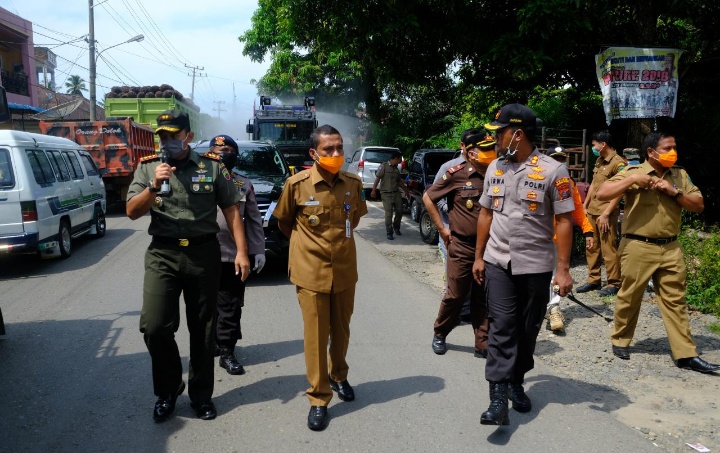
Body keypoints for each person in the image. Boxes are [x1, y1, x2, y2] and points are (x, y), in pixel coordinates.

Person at [126, 110, 251, 423]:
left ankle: (200, 395)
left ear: (188, 137)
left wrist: (242, 252)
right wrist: (153, 187)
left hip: (203, 254)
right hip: (163, 255)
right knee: (154, 327)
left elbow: (232, 209)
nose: (167, 142)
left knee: (203, 328)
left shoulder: (211, 166)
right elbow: (131, 211)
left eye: (173, 135)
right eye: (162, 136)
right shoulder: (149, 167)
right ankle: (169, 389)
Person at [472, 103, 575, 426]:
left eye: (499, 133)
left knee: (527, 329)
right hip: (498, 262)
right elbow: (486, 214)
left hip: (535, 265)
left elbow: (563, 220)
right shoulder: (495, 169)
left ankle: (517, 380)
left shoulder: (553, 171)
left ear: (517, 135)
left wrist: (563, 268)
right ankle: (498, 398)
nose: (495, 140)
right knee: (501, 325)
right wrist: (478, 256)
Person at [595, 131, 719, 373]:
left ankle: (685, 354)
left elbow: (699, 205)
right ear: (651, 152)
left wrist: (674, 192)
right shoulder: (633, 173)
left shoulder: (680, 176)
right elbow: (602, 194)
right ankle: (620, 340)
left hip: (671, 247)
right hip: (638, 246)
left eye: (674, 147)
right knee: (630, 296)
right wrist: (630, 182)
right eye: (667, 148)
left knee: (675, 301)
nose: (673, 152)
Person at [272, 124, 368, 431]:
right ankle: (318, 397)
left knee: (341, 330)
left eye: (340, 147)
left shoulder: (352, 182)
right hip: (310, 272)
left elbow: (355, 218)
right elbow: (285, 223)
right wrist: (307, 249)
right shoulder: (297, 184)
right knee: (316, 336)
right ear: (314, 153)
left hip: (344, 270)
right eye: (329, 149)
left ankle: (339, 376)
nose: (336, 154)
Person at [424, 133, 494, 358]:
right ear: (470, 152)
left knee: (483, 295)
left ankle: (482, 343)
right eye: (484, 148)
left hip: (490, 247)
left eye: (492, 147)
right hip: (462, 245)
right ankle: (440, 332)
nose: (489, 152)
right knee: (455, 295)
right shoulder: (456, 173)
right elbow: (428, 197)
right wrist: (442, 229)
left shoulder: (497, 174)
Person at [208, 135, 266, 376]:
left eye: (230, 150)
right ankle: (209, 344)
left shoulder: (243, 184)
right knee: (205, 307)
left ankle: (227, 352)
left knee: (230, 306)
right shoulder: (196, 180)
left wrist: (258, 251)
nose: (225, 154)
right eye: (221, 149)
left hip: (232, 256)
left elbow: (253, 220)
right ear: (210, 152)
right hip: (201, 255)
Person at [545, 146, 594, 331]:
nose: (559, 163)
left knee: (554, 275)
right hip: (534, 239)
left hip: (557, 240)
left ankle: (554, 309)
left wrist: (588, 230)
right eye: (555, 159)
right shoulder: (536, 180)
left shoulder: (568, 183)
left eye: (561, 159)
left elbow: (578, 210)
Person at [578, 130, 625, 296]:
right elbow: (593, 184)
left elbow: (620, 191)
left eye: (594, 144)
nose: (593, 147)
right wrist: (585, 204)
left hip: (606, 213)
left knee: (608, 248)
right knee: (592, 246)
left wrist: (606, 213)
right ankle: (593, 280)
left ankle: (613, 283)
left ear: (602, 144)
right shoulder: (599, 161)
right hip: (593, 211)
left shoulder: (618, 163)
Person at [371, 150, 409, 240]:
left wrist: (405, 190)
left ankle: (396, 227)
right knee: (389, 214)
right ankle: (389, 231)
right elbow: (377, 179)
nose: (400, 161)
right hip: (386, 194)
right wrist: (373, 190)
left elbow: (399, 181)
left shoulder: (396, 168)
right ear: (395, 158)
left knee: (400, 211)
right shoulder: (383, 166)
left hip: (396, 193)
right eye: (399, 159)